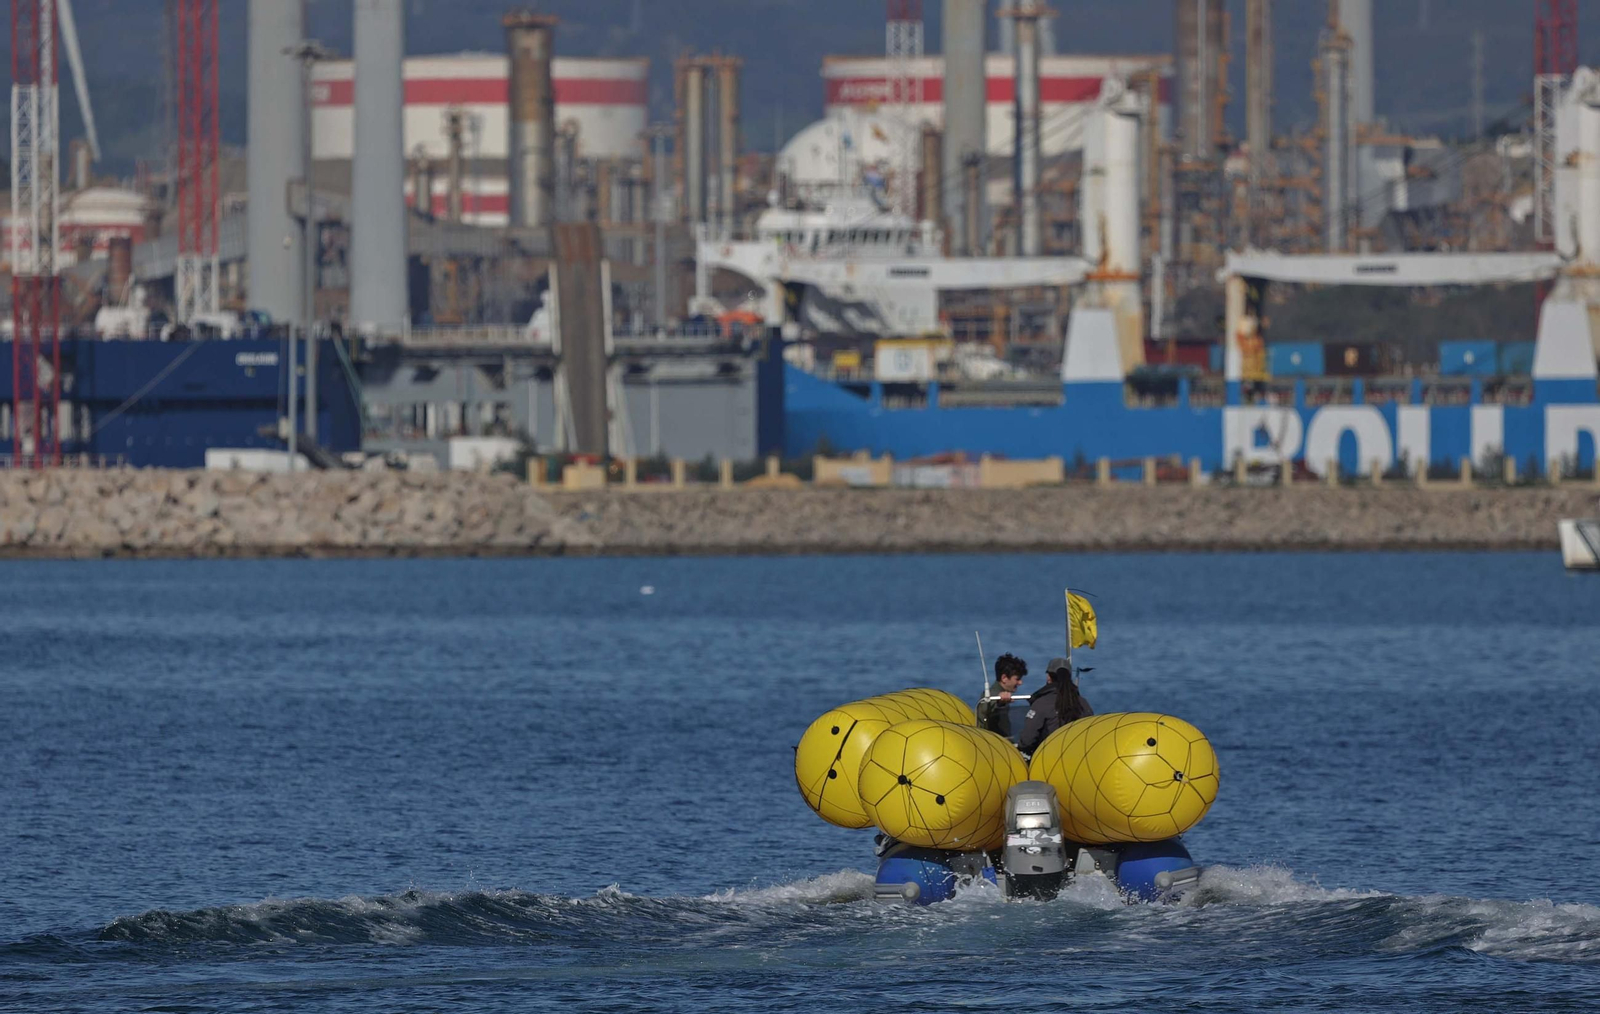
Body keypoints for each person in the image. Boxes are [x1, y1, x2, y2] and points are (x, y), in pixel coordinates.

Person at [1017, 657, 1094, 756]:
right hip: (1078, 760)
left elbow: (1027, 741)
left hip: (1048, 760)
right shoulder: (1083, 704)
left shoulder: (1041, 704)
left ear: (1049, 677)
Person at [978, 653, 1027, 737]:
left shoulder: (1003, 694)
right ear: (1004, 678)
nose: (1020, 683)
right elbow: (985, 709)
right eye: (1017, 679)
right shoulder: (991, 695)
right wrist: (999, 702)